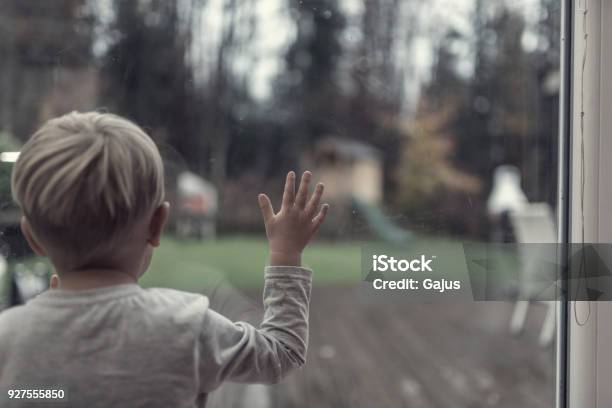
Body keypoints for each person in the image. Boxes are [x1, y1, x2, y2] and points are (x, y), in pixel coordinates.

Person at [0, 111, 329, 407]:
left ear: (32, 237)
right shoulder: (187, 326)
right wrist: (286, 253)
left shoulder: (8, 337)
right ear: (157, 225)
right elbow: (282, 353)